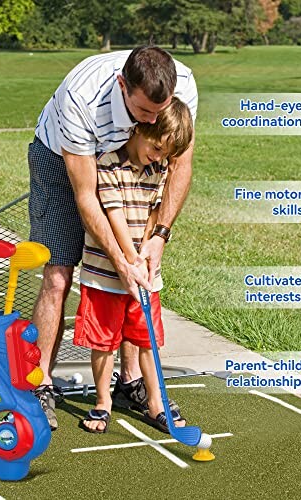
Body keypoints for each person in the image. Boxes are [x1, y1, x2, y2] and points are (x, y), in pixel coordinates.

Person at [28, 46, 197, 430]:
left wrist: (158, 237)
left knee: (134, 284)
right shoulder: (80, 97)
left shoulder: (184, 85)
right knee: (58, 273)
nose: (151, 121)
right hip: (62, 156)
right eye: (143, 113)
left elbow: (179, 163)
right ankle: (39, 384)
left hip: (139, 161)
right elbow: (88, 196)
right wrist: (120, 261)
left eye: (160, 112)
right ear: (123, 86)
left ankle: (130, 381)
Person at [74, 97, 193, 433]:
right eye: (155, 148)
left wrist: (148, 250)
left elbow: (157, 211)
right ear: (140, 128)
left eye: (165, 155)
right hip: (105, 276)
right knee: (104, 341)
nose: (157, 158)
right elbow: (114, 217)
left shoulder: (159, 168)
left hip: (143, 273)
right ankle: (102, 403)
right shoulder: (108, 164)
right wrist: (131, 258)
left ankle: (156, 402)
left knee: (147, 339)